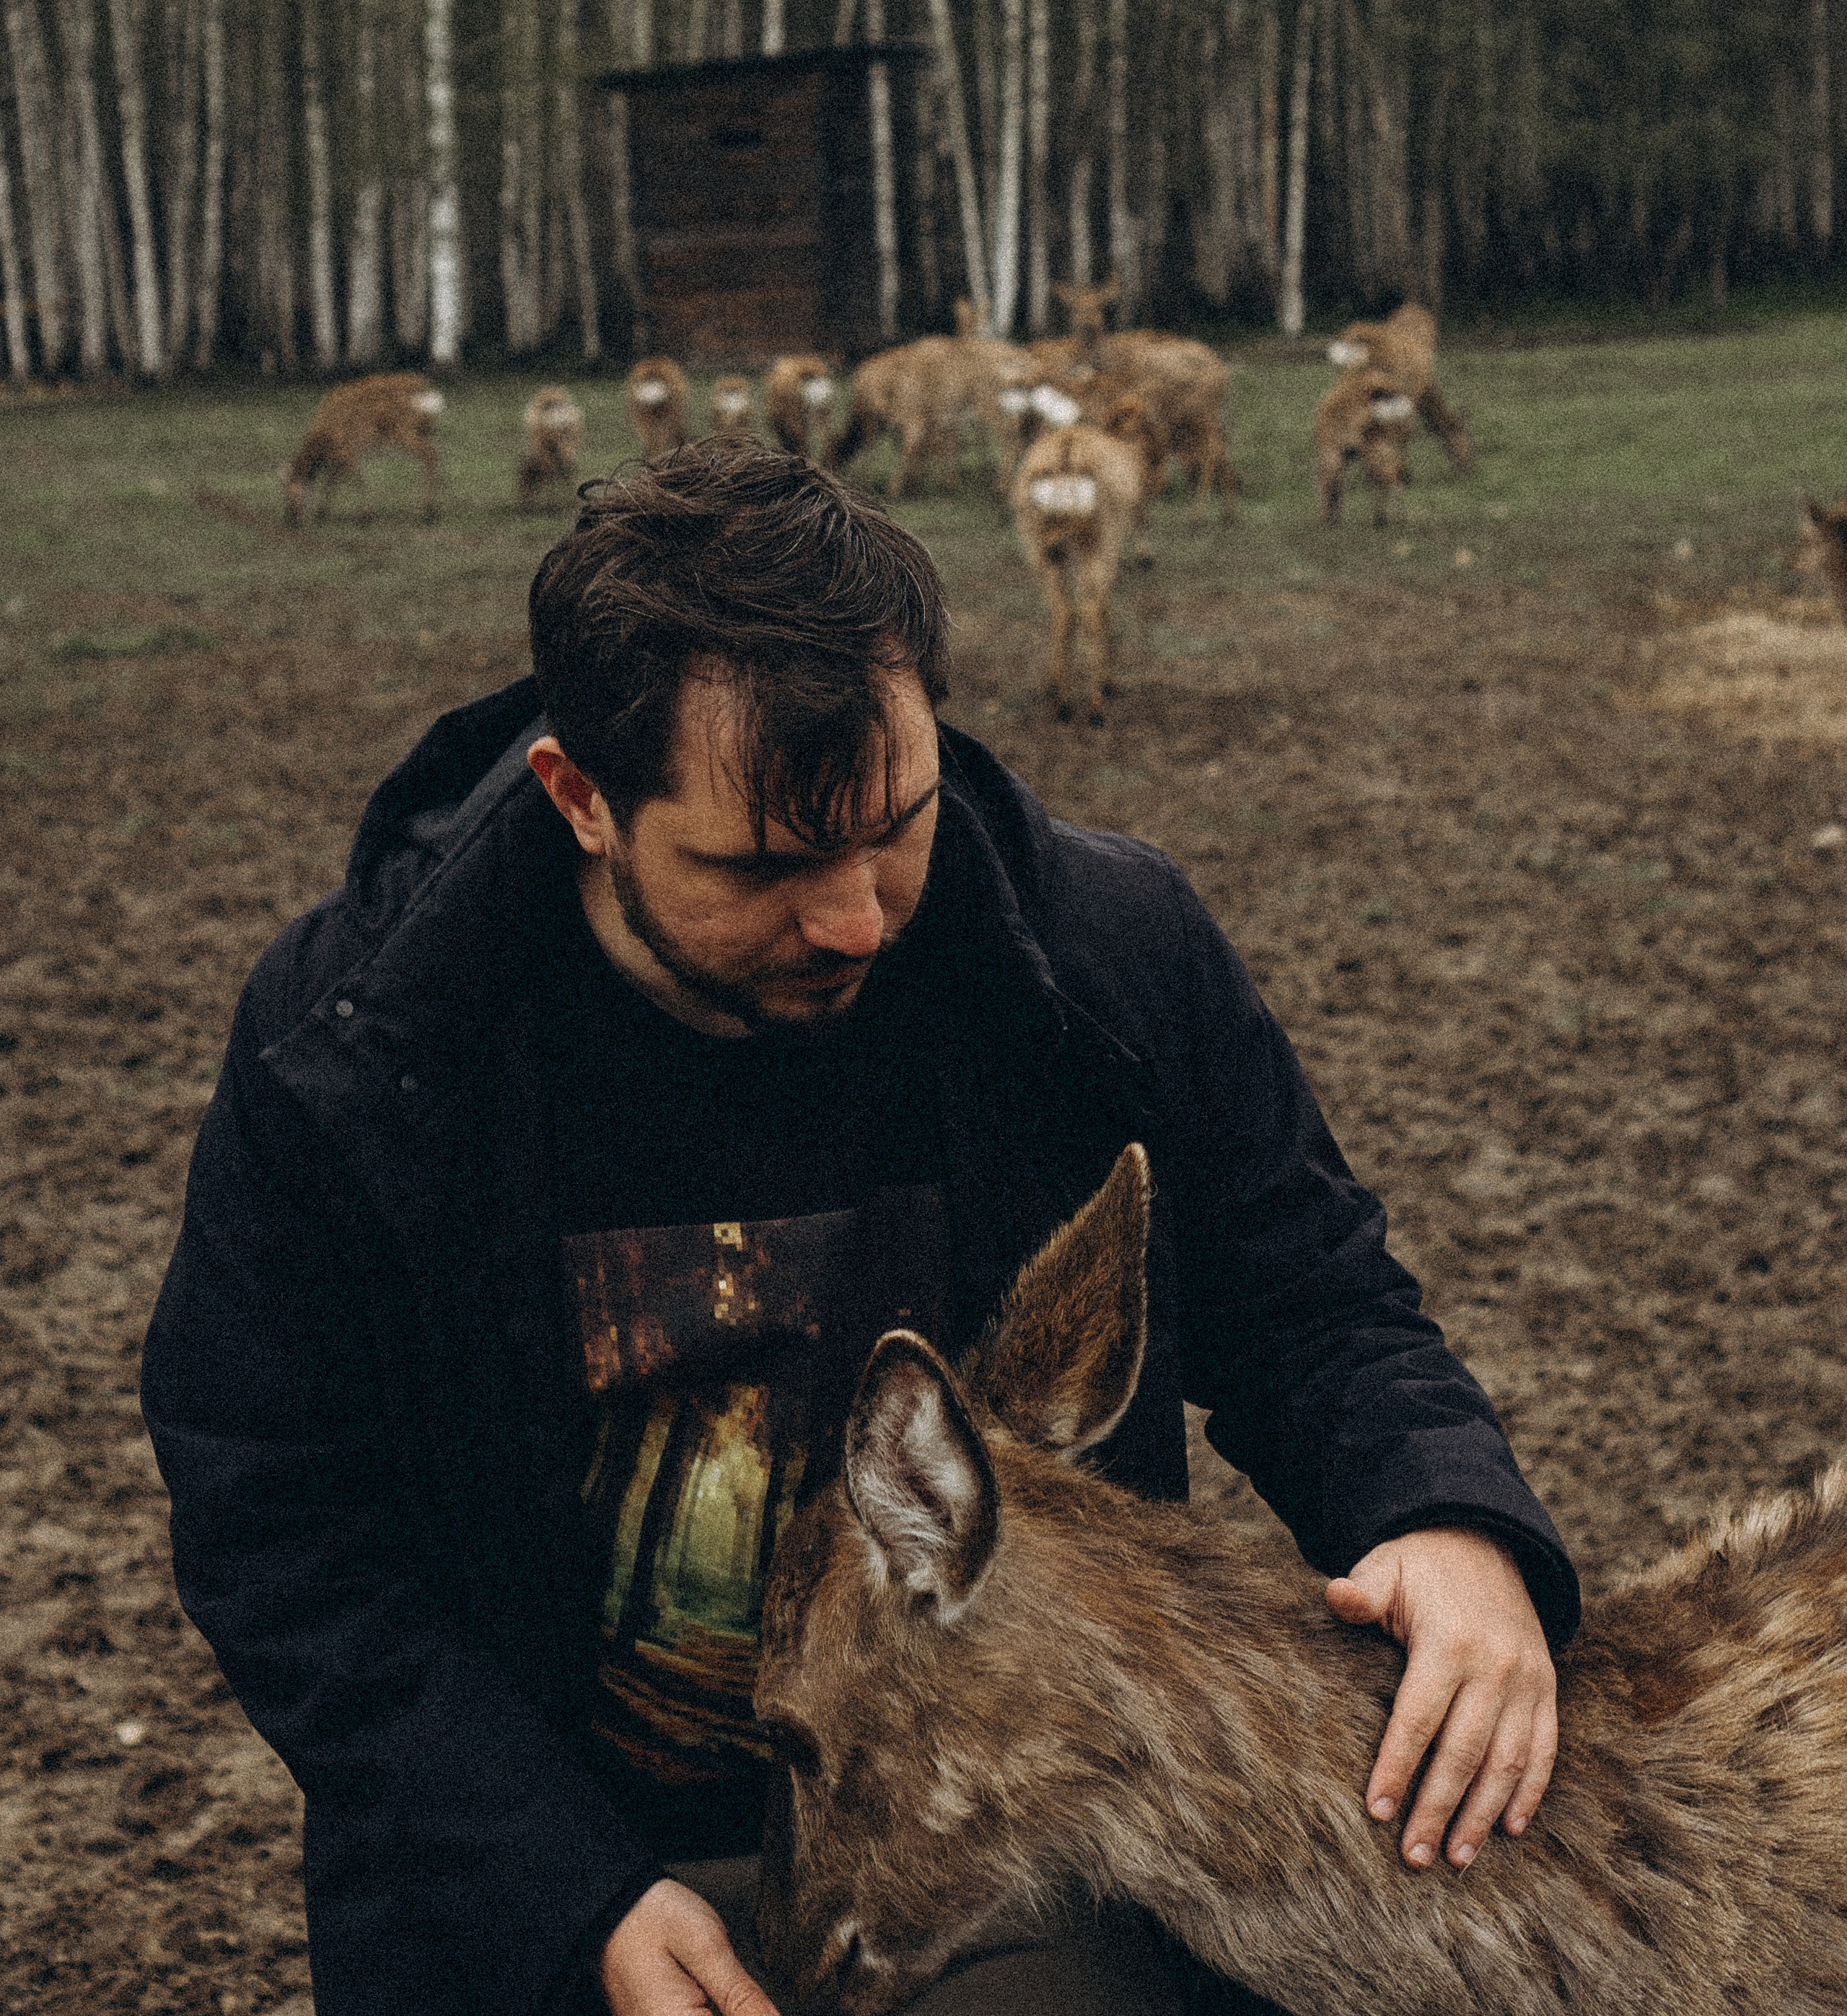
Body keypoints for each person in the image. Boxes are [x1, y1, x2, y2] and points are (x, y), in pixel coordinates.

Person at [142, 442, 1577, 2016]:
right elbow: (280, 1525)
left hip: (1012, 1854)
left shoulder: (1108, 954)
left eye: (894, 821)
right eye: (763, 865)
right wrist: (563, 1891)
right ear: (581, 800)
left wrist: (1446, 1519)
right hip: (560, 1859)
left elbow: (1315, 1307)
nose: (856, 919)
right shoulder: (355, 1046)